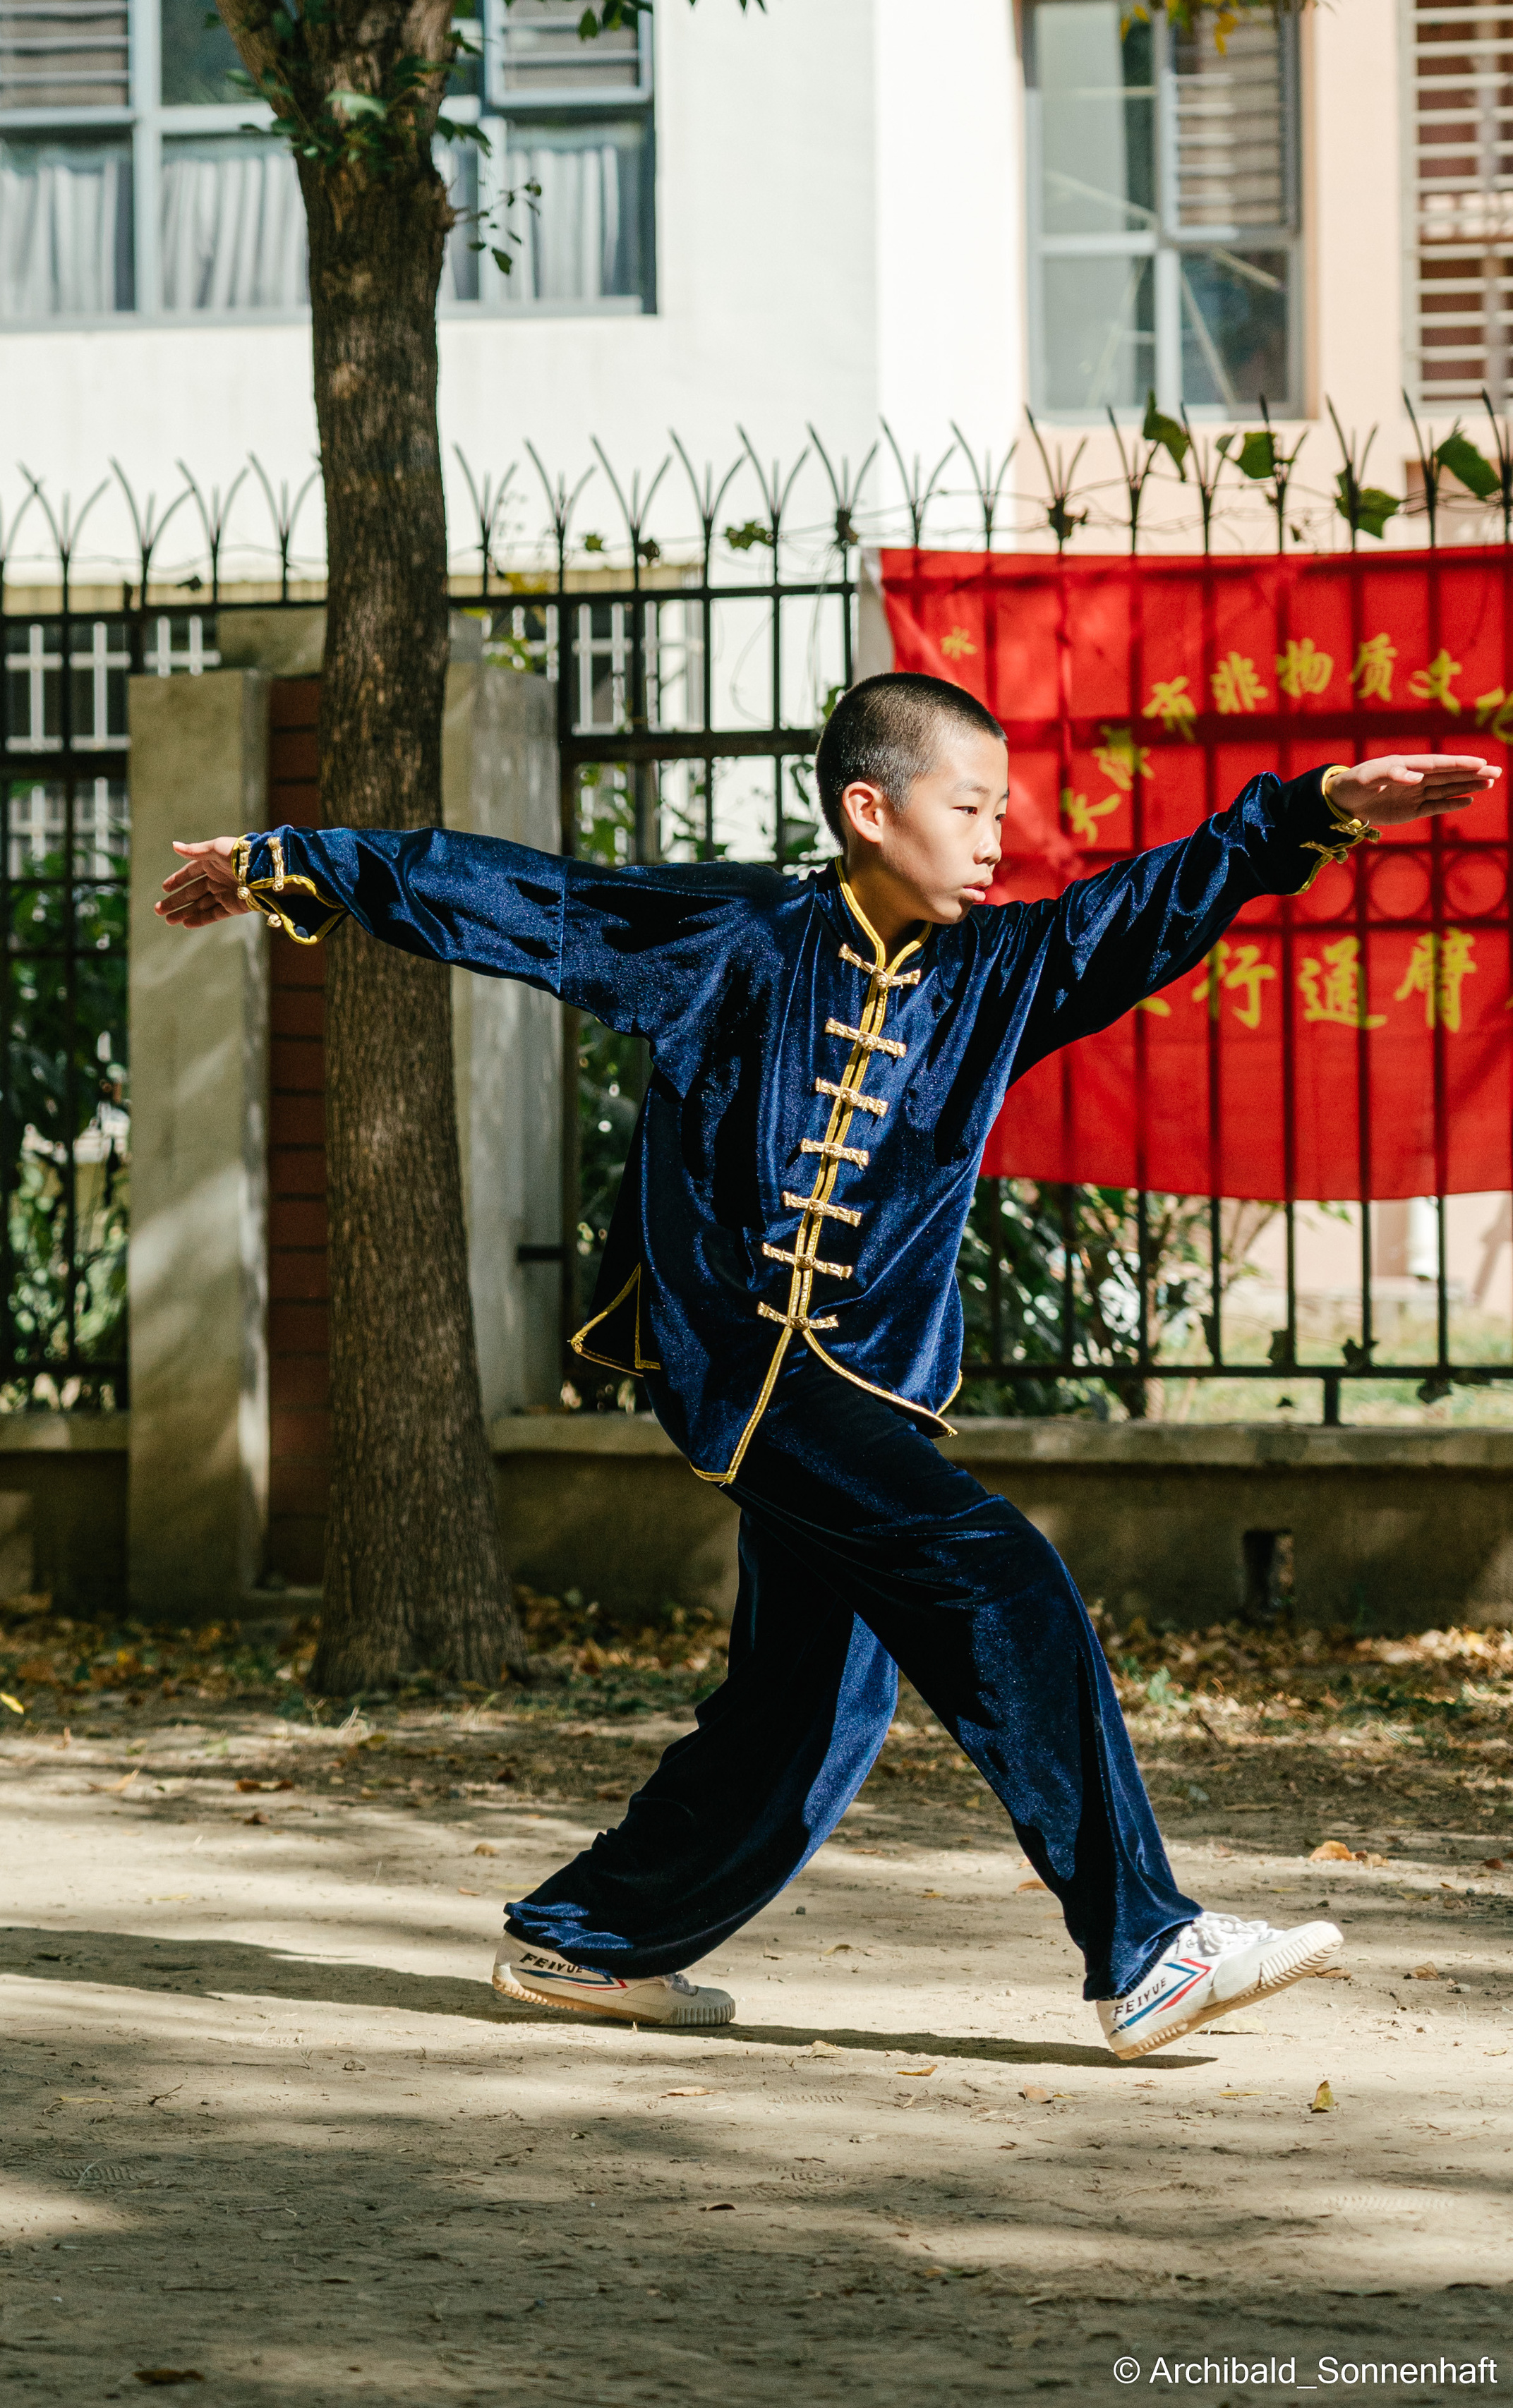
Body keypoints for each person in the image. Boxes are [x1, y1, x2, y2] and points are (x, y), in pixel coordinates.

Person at [157, 672, 1495, 2061]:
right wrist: (287, 860)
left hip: (870, 1394)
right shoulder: (737, 939)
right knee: (998, 1578)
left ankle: (586, 1948)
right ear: (870, 807)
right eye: (966, 806)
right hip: (745, 1373)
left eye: (1001, 811)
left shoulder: (993, 971)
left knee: (810, 1700)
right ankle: (1145, 1945)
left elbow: (1141, 910)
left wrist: (1305, 813)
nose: (992, 838)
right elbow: (526, 900)